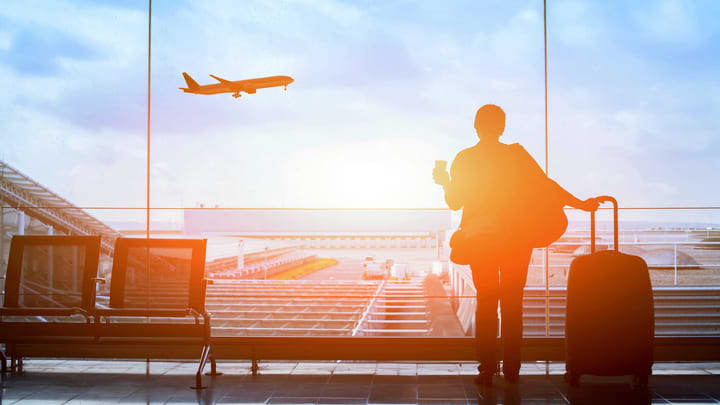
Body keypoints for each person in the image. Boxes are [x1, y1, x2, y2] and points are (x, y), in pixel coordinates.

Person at [432, 104, 600, 385]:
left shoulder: (465, 158)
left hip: (481, 240)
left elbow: (454, 202)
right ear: (502, 128)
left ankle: (486, 370)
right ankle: (511, 368)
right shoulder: (516, 155)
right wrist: (581, 204)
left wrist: (444, 181)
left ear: (476, 126)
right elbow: (547, 185)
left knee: (486, 303)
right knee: (512, 304)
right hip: (515, 239)